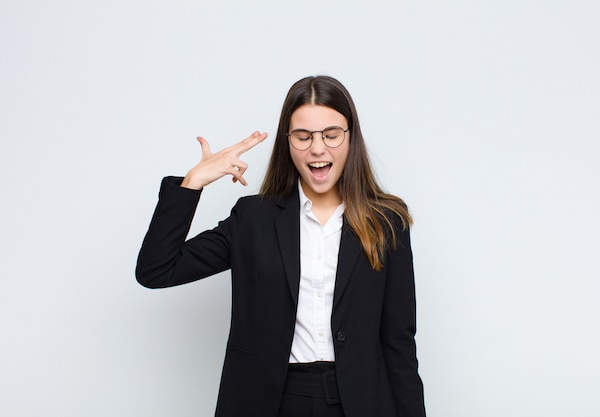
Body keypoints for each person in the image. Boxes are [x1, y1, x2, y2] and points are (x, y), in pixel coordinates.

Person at [136, 75, 426, 417]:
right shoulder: (253, 219)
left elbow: (399, 343)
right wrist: (193, 183)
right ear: (287, 143)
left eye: (331, 135)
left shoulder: (386, 221)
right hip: (272, 401)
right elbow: (156, 270)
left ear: (351, 139)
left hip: (361, 400)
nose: (318, 149)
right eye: (303, 137)